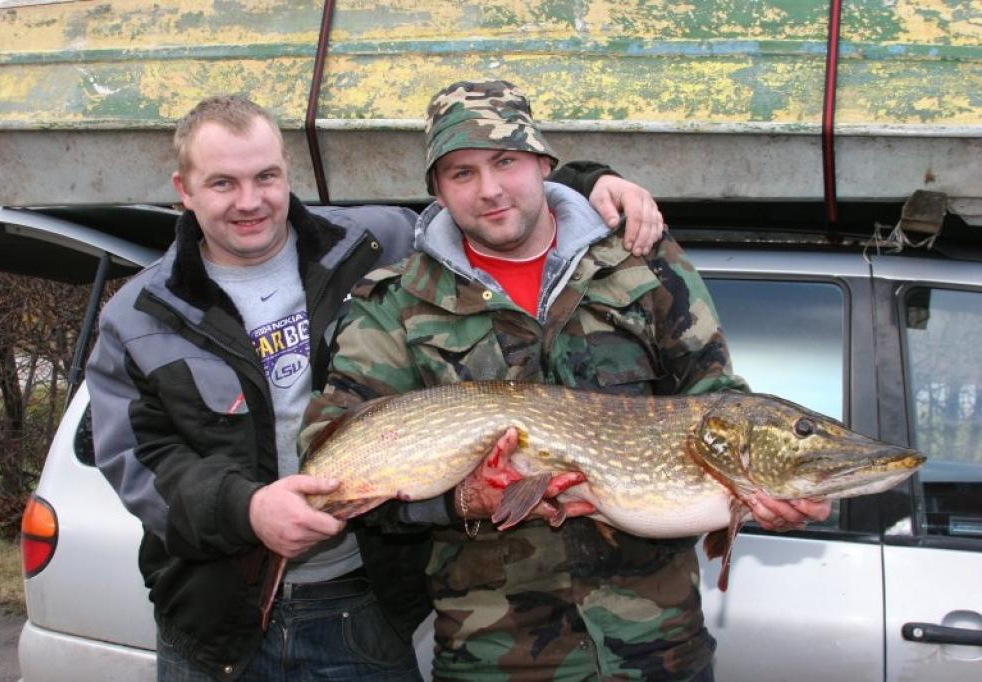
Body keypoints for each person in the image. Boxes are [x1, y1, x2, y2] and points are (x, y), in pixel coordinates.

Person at [84, 93, 668, 681]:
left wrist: (595, 182)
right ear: (183, 189)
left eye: (266, 176)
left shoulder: (372, 242)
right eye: (222, 184)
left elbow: (484, 195)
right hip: (216, 616)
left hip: (362, 605)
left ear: (289, 173)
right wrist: (249, 509)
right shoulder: (140, 314)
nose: (250, 201)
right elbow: (138, 462)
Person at [300, 80, 831, 681]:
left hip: (659, 651)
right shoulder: (393, 306)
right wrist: (459, 500)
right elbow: (335, 455)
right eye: (461, 173)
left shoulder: (644, 262)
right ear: (438, 190)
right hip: (495, 660)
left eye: (506, 161)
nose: (490, 189)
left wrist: (762, 486)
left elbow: (716, 403)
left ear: (544, 164)